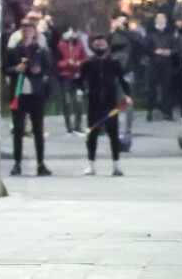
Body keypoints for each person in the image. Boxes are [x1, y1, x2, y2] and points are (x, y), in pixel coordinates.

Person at [5, 19, 54, 176]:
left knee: (38, 129)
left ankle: (41, 162)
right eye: (24, 28)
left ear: (35, 32)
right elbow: (5, 69)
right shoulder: (14, 50)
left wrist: (39, 72)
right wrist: (15, 69)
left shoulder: (39, 50)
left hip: (35, 94)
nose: (27, 31)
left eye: (30, 28)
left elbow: (48, 68)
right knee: (18, 130)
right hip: (19, 94)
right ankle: (17, 163)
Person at [79, 32, 131, 176]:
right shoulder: (88, 63)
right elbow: (80, 81)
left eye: (102, 43)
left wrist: (127, 94)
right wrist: (81, 89)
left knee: (113, 134)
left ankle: (116, 165)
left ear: (107, 45)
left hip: (111, 104)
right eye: (97, 44)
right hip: (94, 103)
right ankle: (91, 165)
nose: (100, 46)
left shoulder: (113, 63)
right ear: (92, 46)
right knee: (92, 134)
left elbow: (122, 80)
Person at [146, 11, 180, 121]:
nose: (161, 20)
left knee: (167, 88)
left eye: (163, 18)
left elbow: (176, 47)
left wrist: (169, 52)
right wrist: (154, 52)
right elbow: (145, 47)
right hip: (154, 63)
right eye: (159, 18)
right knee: (152, 88)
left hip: (167, 64)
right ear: (156, 20)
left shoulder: (171, 33)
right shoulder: (150, 33)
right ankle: (150, 110)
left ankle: (168, 112)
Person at [54, 27, 89, 132]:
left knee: (78, 100)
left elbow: (85, 57)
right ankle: (69, 126)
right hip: (65, 76)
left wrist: (80, 63)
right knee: (67, 100)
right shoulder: (60, 45)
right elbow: (56, 61)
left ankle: (78, 125)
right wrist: (67, 62)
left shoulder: (78, 43)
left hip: (77, 76)